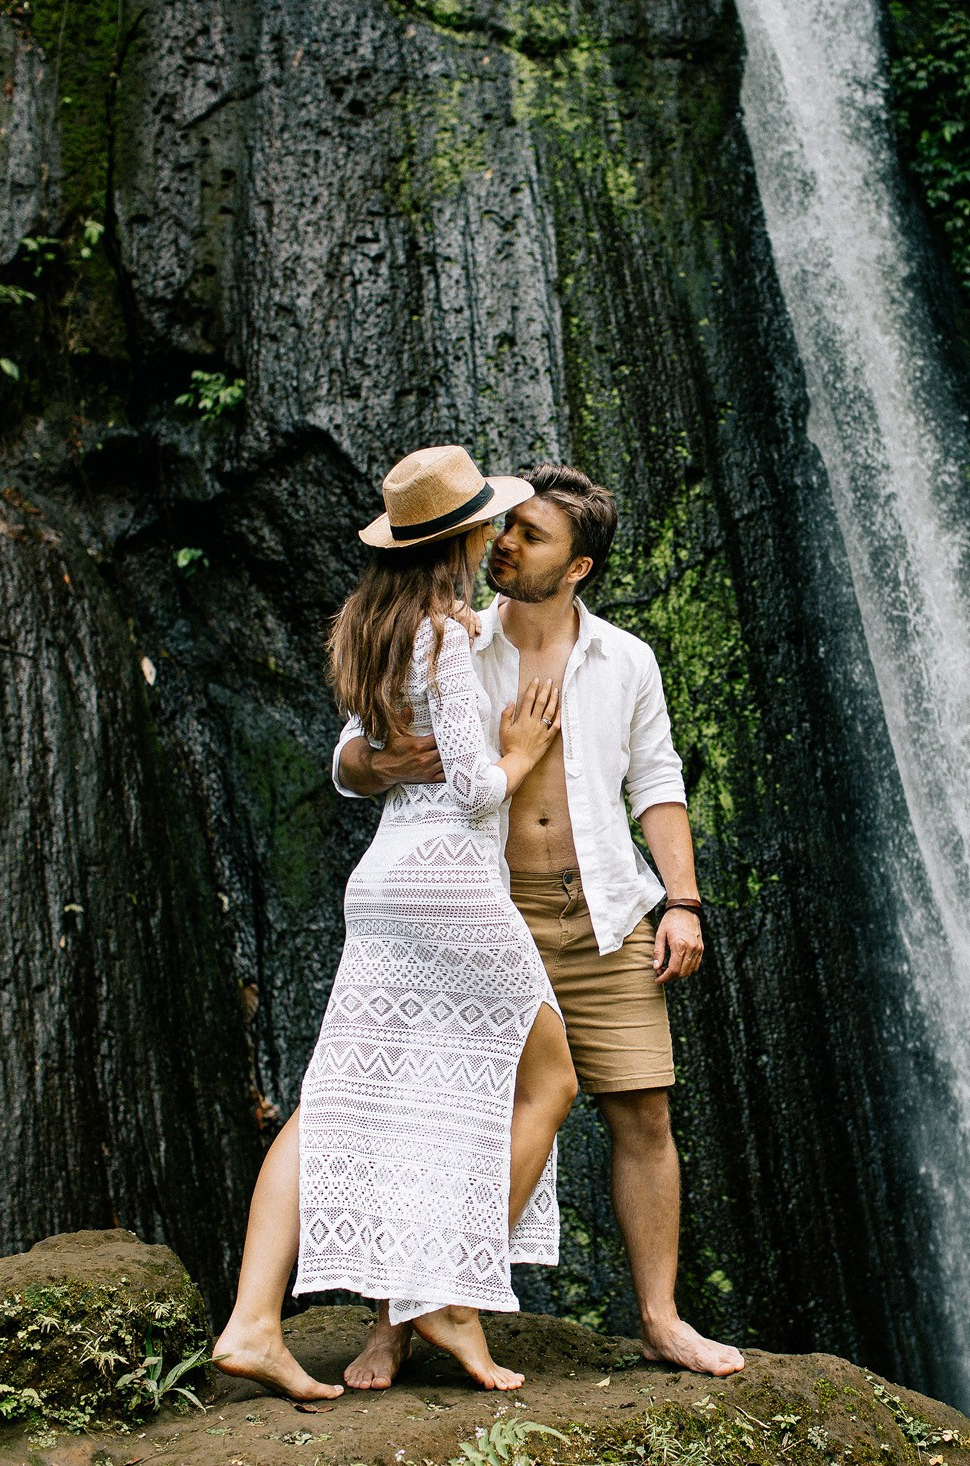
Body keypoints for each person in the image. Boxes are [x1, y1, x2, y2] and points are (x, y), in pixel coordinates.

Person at [335, 465, 745, 1381]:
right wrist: (388, 763)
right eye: (506, 528)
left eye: (530, 535)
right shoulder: (458, 640)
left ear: (580, 568)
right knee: (438, 1113)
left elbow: (660, 782)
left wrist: (681, 902)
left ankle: (661, 1319)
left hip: (606, 916)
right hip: (485, 913)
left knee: (642, 1113)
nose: (504, 545)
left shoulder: (627, 660)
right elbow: (353, 755)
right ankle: (392, 1323)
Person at [212, 445, 577, 1399]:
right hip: (448, 884)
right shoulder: (448, 637)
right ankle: (446, 1292)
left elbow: (358, 754)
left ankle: (253, 1320)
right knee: (550, 1076)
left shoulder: (366, 627)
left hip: (379, 882)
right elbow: (470, 788)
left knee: (332, 1102)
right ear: (458, 537)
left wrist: (386, 763)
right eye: (485, 525)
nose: (496, 537)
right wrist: (523, 750)